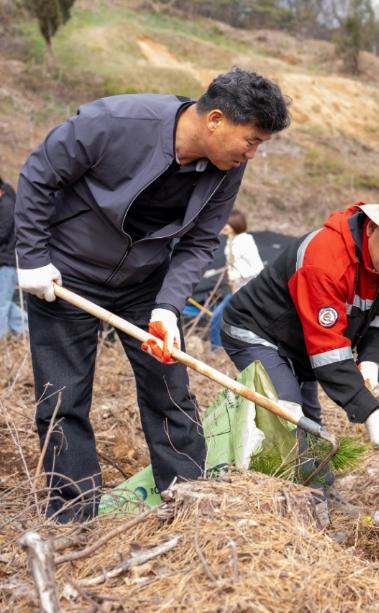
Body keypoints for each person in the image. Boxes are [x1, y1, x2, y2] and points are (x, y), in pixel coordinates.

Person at [15, 68, 290, 522]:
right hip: (66, 276)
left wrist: (167, 306)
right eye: (252, 140)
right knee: (63, 397)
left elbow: (201, 242)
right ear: (215, 120)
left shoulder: (227, 170)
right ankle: (73, 514)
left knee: (169, 388)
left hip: (145, 282)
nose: (252, 154)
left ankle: (189, 499)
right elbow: (40, 174)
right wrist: (33, 259)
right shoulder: (116, 121)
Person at [220, 180, 379, 467]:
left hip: (301, 344)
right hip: (258, 331)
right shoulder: (325, 259)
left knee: (310, 422)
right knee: (289, 411)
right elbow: (328, 352)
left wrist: (371, 359)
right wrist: (371, 413)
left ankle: (316, 491)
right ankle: (265, 485)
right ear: (373, 227)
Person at [209, 209, 263, 350]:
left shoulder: (245, 241)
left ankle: (216, 347)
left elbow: (257, 267)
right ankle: (223, 346)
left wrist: (237, 275)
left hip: (244, 288)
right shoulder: (230, 241)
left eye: (227, 223)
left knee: (218, 316)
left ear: (235, 224)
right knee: (227, 318)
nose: (223, 226)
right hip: (234, 288)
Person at [0, 175, 26, 338]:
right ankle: (30, 329)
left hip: (8, 262)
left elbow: (2, 233)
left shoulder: (7, 205)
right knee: (6, 304)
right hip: (3, 261)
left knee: (1, 305)